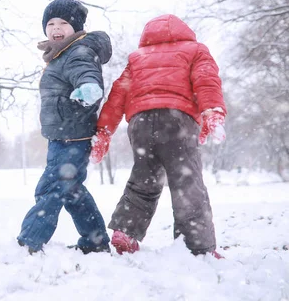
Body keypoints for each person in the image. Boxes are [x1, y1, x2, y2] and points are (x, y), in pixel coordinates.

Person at [90, 14, 226, 258]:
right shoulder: (195, 50)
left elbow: (118, 94)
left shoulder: (137, 58)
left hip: (141, 124)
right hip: (178, 121)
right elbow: (206, 81)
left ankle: (126, 231)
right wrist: (212, 111)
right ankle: (196, 246)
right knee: (186, 182)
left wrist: (104, 131)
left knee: (144, 179)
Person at [16, 0, 112, 254]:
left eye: (63, 23)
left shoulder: (77, 51)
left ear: (76, 27)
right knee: (71, 191)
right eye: (51, 23)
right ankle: (95, 242)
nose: (56, 28)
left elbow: (85, 72)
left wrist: (89, 87)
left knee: (50, 188)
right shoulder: (60, 54)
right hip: (62, 136)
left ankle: (29, 242)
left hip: (74, 135)